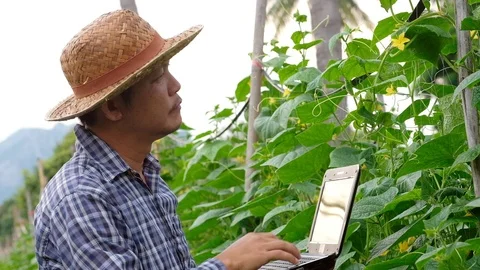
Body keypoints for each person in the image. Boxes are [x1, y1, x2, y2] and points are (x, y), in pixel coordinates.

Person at [34, 9, 300, 270]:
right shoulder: (80, 196)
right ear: (113, 108)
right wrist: (227, 264)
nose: (175, 85)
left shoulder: (144, 175)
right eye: (158, 77)